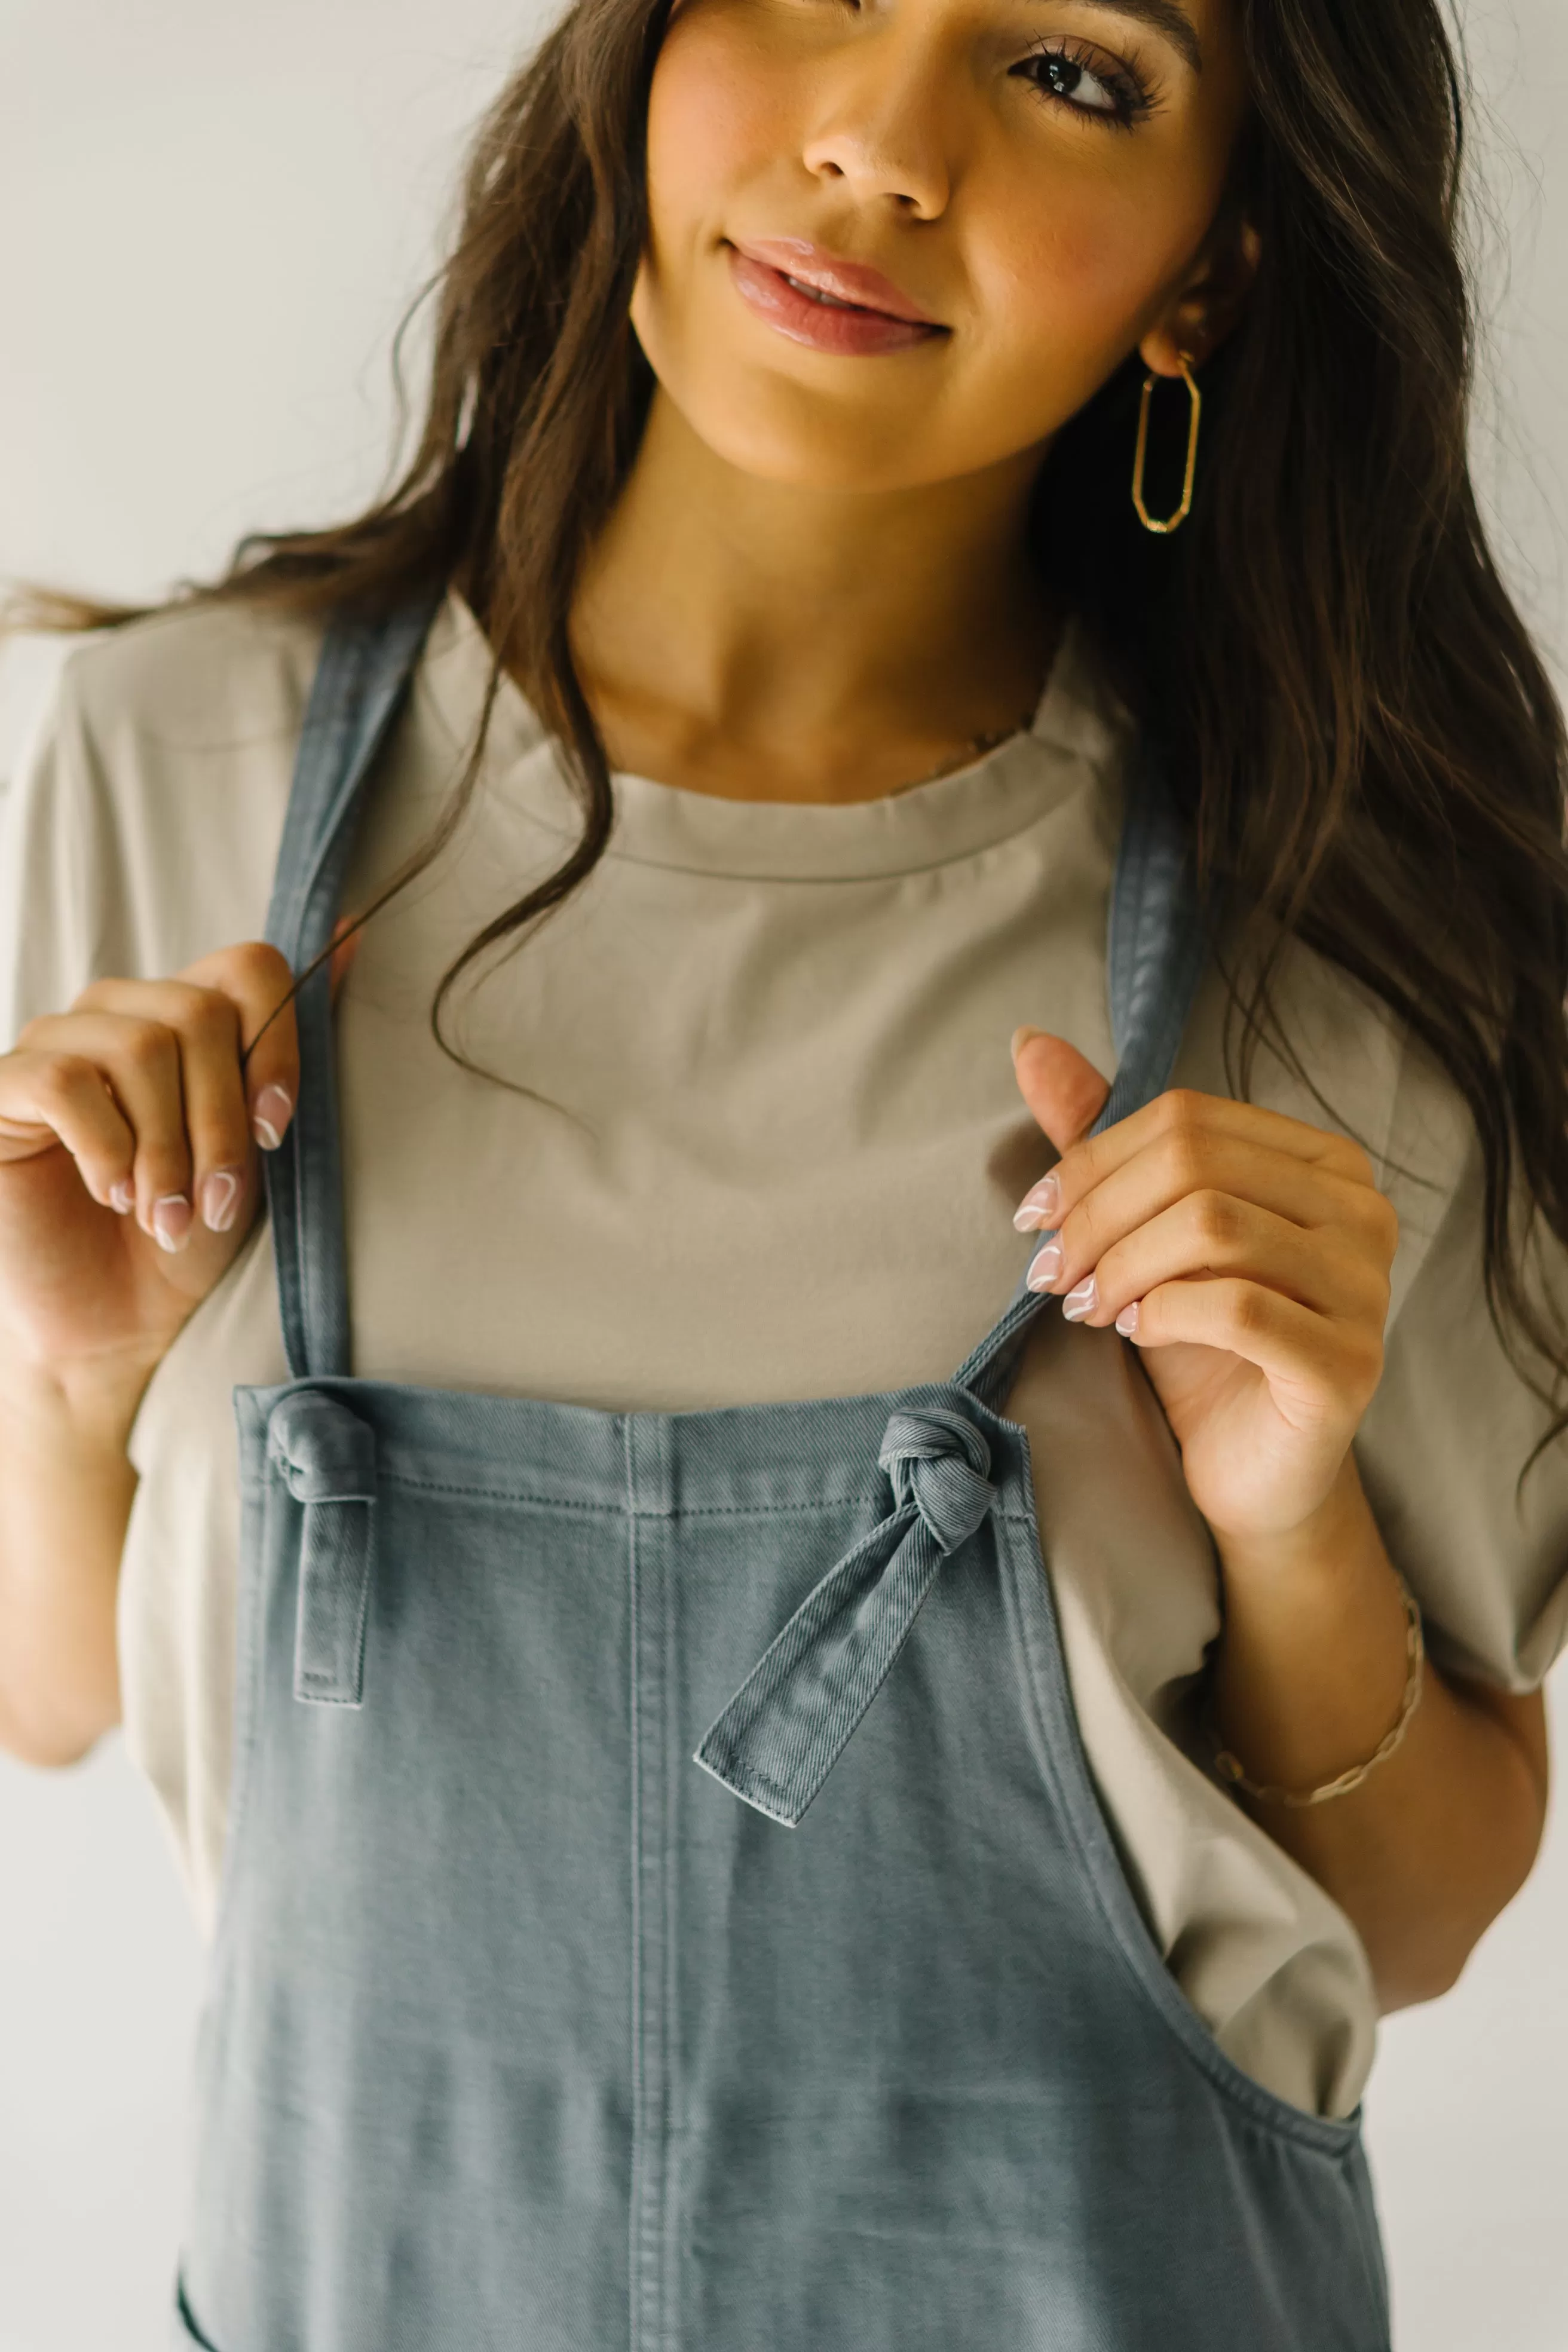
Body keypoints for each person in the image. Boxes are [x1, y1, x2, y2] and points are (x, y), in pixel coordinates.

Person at [1, 0, 1564, 2342]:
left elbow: (1423, 1916)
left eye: (1069, 71)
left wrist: (1285, 1513)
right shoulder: (178, 761)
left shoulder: (1346, 933)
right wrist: (74, 1374)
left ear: (1208, 269)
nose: (875, 143)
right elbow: (51, 1697)